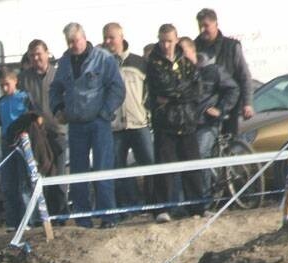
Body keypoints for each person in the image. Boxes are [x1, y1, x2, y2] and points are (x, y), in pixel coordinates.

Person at [50, 23, 125, 229]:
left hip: (99, 123)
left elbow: (117, 88)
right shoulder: (64, 62)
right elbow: (55, 88)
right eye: (69, 42)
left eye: (76, 40)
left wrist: (105, 111)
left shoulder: (103, 58)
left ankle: (108, 216)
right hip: (76, 126)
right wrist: (57, 108)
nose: (73, 45)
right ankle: (83, 218)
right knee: (78, 172)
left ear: (84, 38)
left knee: (102, 169)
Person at [147, 24, 206, 221]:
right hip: (165, 124)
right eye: (162, 40)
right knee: (165, 169)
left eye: (170, 41)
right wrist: (181, 91)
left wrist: (175, 94)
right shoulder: (153, 62)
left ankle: (197, 208)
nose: (166, 45)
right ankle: (163, 209)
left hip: (187, 121)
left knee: (192, 167)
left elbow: (197, 89)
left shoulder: (186, 61)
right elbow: (163, 87)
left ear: (177, 40)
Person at [179, 37, 239, 206]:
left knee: (199, 155)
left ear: (192, 51)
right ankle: (191, 201)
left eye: (183, 52)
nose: (180, 56)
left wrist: (220, 109)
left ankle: (204, 201)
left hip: (208, 122)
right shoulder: (181, 73)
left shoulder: (213, 70)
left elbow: (233, 89)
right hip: (189, 124)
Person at [102, 22, 155, 212]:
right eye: (105, 38)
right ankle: (131, 206)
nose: (108, 41)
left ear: (121, 37)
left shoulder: (139, 62)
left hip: (138, 123)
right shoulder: (103, 65)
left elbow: (150, 91)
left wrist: (145, 110)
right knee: (118, 167)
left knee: (149, 163)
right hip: (115, 126)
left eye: (112, 37)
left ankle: (154, 204)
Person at [20, 39, 70, 219]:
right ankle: (46, 215)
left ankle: (62, 214)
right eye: (32, 55)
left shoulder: (58, 75)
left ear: (47, 53)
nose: (35, 58)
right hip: (36, 135)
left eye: (38, 54)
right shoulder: (24, 78)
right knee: (42, 175)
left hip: (57, 131)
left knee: (59, 174)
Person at [194, 8, 253, 136]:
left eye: (206, 25)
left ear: (216, 24)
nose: (202, 30)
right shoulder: (194, 47)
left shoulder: (231, 46)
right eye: (200, 26)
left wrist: (247, 103)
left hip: (228, 104)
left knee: (229, 141)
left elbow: (244, 76)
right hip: (204, 107)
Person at [0, 66, 32, 229]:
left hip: (22, 141)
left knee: (24, 182)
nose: (4, 88)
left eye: (7, 84)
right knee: (8, 183)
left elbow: (29, 119)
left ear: (15, 81)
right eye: (1, 85)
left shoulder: (24, 97)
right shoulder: (0, 102)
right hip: (7, 142)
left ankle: (28, 219)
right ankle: (12, 221)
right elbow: (2, 124)